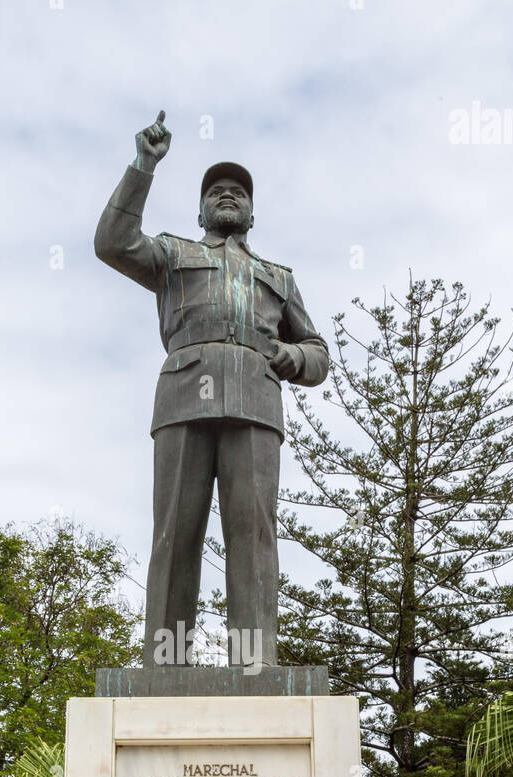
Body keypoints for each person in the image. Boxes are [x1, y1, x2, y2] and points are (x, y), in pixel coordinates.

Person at [94, 111, 329, 669]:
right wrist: (143, 166)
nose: (228, 197)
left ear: (252, 212)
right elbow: (111, 241)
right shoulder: (173, 254)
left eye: (239, 193)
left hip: (256, 402)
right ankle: (165, 665)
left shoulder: (279, 276)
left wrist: (291, 356)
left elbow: (319, 354)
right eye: (217, 192)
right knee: (175, 531)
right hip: (182, 401)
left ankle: (253, 665)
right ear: (200, 210)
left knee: (254, 538)